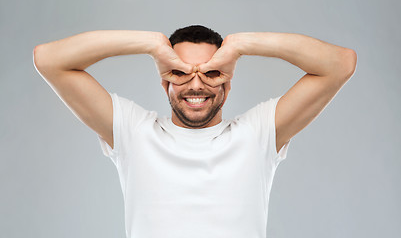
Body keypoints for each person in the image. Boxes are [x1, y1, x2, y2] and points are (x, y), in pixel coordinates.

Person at [33, 25, 357, 238]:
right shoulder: (133, 133)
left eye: (211, 72)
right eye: (181, 72)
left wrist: (242, 45)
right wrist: (150, 44)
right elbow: (48, 60)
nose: (197, 84)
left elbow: (340, 64)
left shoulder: (257, 135)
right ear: (164, 82)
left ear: (227, 85)